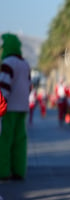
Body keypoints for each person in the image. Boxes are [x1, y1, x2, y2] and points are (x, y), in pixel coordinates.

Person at [0, 33, 31, 180]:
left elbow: (3, 86)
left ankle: (3, 171)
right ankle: (19, 170)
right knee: (20, 140)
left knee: (5, 139)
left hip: (9, 107)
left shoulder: (7, 63)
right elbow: (29, 86)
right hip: (23, 106)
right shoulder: (25, 64)